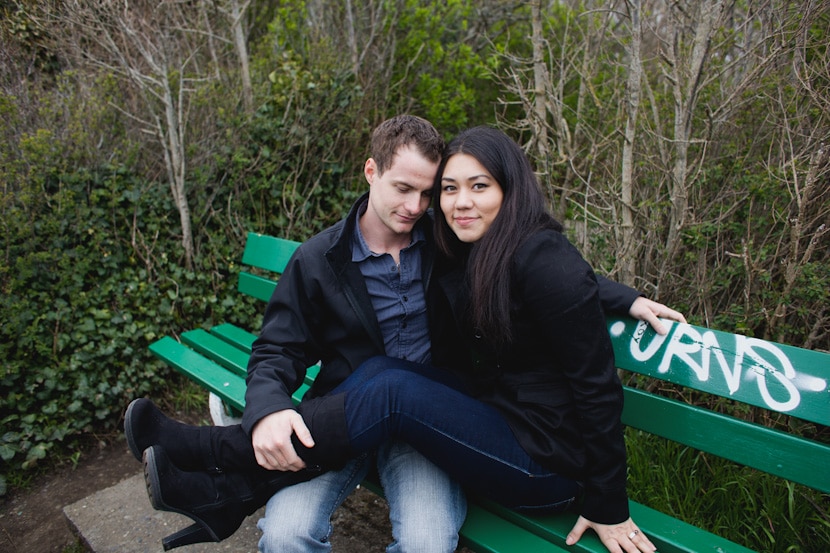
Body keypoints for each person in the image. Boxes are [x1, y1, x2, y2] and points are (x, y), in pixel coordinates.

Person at [127, 122, 684, 552]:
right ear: (370, 172)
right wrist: (268, 410)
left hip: (520, 450)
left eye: (473, 187)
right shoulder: (342, 255)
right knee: (374, 382)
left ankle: (212, 457)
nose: (426, 206)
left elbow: (569, 314)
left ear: (508, 189)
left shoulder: (457, 243)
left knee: (396, 413)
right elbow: (278, 347)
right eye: (441, 190)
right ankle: (229, 490)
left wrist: (609, 502)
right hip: (359, 413)